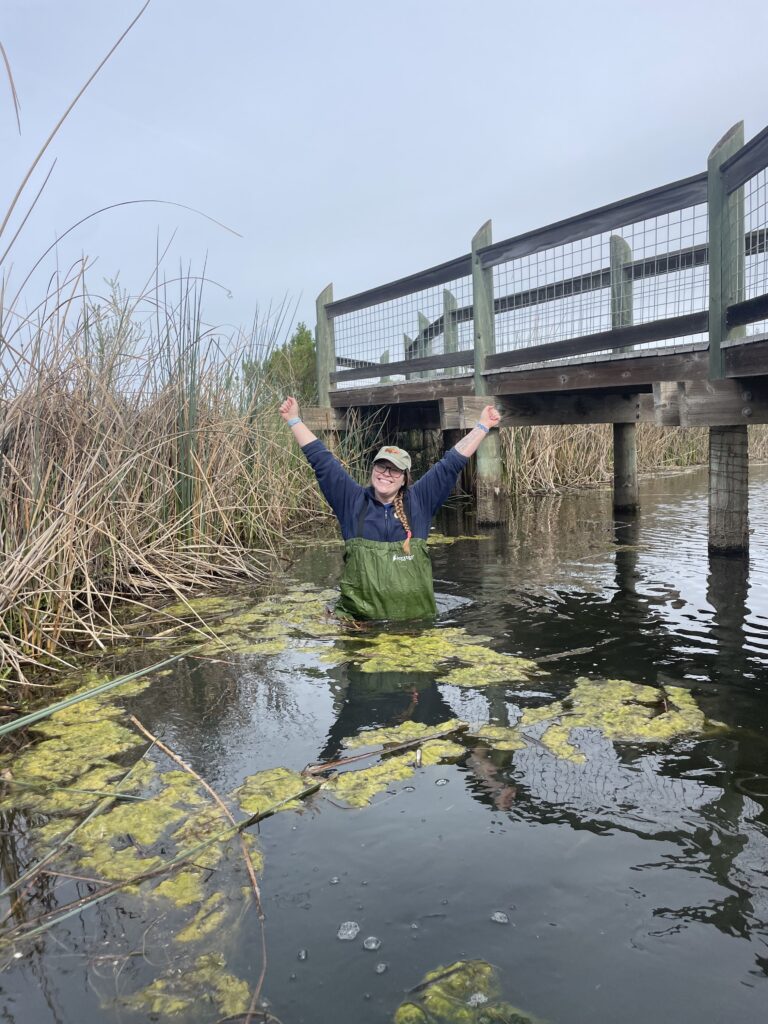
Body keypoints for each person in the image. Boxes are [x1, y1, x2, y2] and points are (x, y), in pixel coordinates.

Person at [279, 395, 501, 620]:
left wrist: (483, 426)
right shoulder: (351, 500)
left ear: (404, 478)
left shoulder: (420, 500)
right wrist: (294, 420)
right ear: (373, 469)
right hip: (359, 626)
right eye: (381, 466)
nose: (386, 473)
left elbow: (451, 462)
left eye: (394, 470)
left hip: (415, 623)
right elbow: (322, 460)